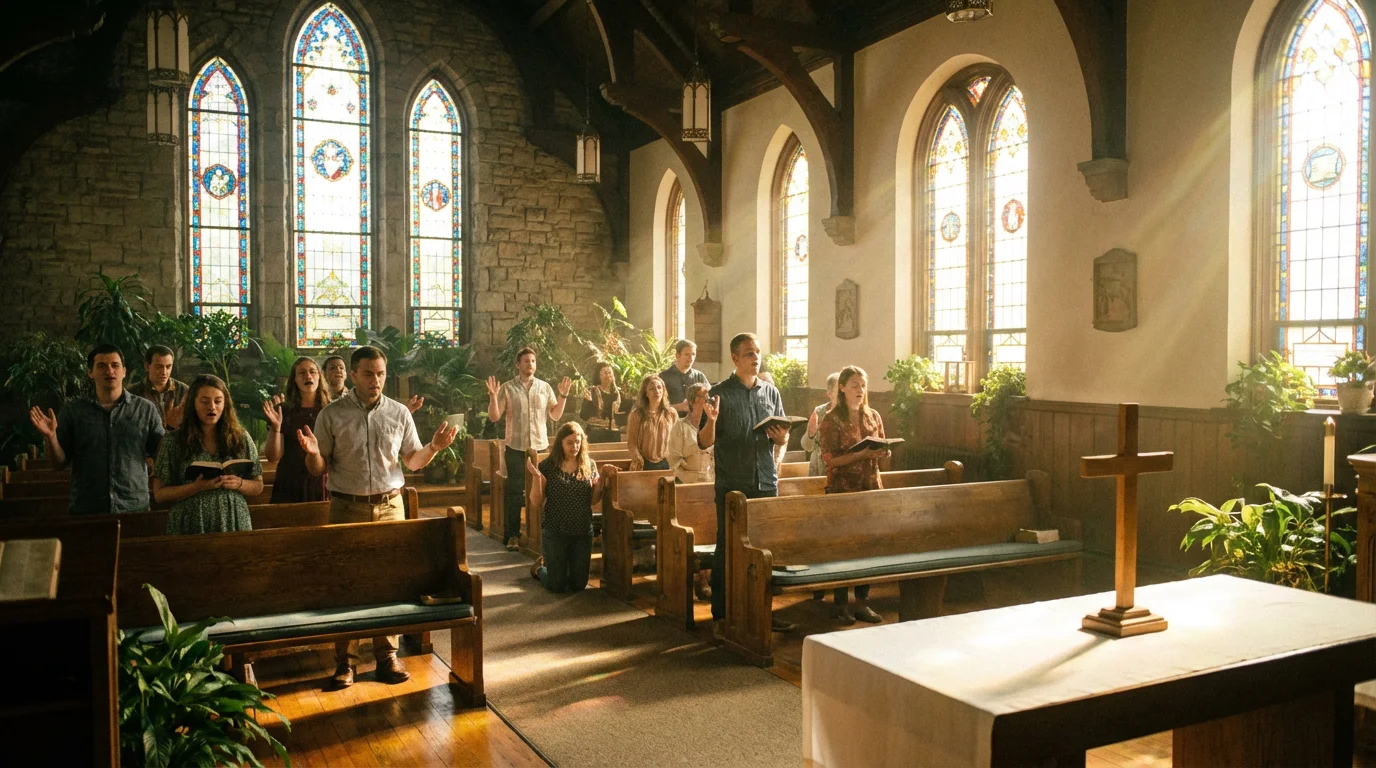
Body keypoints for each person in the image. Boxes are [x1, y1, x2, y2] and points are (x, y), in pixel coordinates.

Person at [298, 345, 459, 689]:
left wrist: (434, 448)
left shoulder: (399, 413)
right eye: (369, 374)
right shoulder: (332, 415)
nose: (376, 380)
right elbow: (318, 469)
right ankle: (346, 663)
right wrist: (313, 454)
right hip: (347, 506)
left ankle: (387, 657)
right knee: (348, 585)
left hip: (389, 505)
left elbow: (412, 461)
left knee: (390, 582)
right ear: (353, 375)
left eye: (381, 374)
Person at [697, 332, 793, 633]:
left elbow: (782, 436)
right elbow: (703, 442)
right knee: (729, 548)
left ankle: (762, 610)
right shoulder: (718, 393)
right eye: (749, 353)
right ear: (735, 358)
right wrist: (711, 421)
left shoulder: (770, 392)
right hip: (733, 484)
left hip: (766, 480)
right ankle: (722, 614)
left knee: (764, 550)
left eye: (758, 352)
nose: (755, 358)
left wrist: (782, 438)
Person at [28, 343, 164, 515]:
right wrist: (51, 436)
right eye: (101, 366)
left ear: (124, 371)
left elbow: (161, 455)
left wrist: (174, 430)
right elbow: (58, 464)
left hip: (134, 508)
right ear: (90, 372)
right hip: (87, 509)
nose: (109, 371)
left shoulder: (145, 409)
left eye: (115, 365)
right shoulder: (73, 411)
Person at [819, 365, 891, 625]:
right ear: (841, 388)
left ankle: (862, 603)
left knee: (866, 547)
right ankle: (840, 605)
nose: (860, 390)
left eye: (863, 385)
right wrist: (859, 455)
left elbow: (883, 446)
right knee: (843, 548)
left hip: (870, 486)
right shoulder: (832, 419)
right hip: (843, 490)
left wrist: (883, 451)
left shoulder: (873, 416)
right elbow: (830, 460)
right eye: (854, 386)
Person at [152, 375, 264, 534]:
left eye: (218, 401)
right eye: (204, 402)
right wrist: (196, 487)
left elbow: (258, 485)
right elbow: (160, 494)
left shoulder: (241, 438)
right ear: (193, 404)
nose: (212, 407)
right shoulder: (173, 441)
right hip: (190, 521)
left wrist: (239, 483)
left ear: (225, 404)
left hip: (233, 519)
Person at [485, 347, 572, 552]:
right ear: (518, 364)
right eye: (526, 361)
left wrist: (563, 396)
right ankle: (513, 535)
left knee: (545, 491)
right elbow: (494, 417)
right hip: (516, 447)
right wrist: (492, 397)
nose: (530, 364)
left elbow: (556, 415)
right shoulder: (507, 387)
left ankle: (544, 532)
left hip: (540, 448)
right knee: (515, 492)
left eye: (533, 361)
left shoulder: (544, 387)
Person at [526, 422, 616, 593]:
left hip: (581, 531)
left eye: (578, 441)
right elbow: (536, 502)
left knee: (578, 585)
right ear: (561, 442)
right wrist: (536, 477)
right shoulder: (547, 466)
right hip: (555, 531)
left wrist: (602, 477)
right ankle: (539, 569)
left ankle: (560, 570)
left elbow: (594, 500)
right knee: (557, 586)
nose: (574, 446)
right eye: (569, 442)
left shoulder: (589, 464)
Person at [667, 382, 714, 601]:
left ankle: (709, 575)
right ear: (694, 401)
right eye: (705, 397)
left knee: (712, 532)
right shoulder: (681, 427)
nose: (709, 401)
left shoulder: (714, 424)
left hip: (711, 484)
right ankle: (698, 578)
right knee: (694, 534)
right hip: (689, 487)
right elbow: (674, 459)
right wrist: (691, 482)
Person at [263, 357, 331, 503]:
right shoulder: (283, 411)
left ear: (319, 376)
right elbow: (273, 457)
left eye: (312, 371)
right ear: (294, 379)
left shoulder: (330, 411)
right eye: (302, 373)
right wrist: (275, 428)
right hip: (289, 480)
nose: (308, 376)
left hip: (321, 480)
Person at [626, 374, 675, 471]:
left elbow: (677, 439)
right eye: (652, 389)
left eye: (659, 387)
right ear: (646, 393)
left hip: (667, 462)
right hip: (644, 462)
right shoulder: (636, 414)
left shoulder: (671, 413)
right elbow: (632, 442)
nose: (657, 391)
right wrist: (637, 459)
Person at [135, 344, 189, 430]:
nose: (164, 372)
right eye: (159, 367)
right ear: (147, 366)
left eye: (168, 367)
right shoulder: (134, 392)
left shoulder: (184, 390)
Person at [800, 372, 841, 477]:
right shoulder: (819, 412)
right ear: (829, 393)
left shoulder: (852, 412)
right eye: (838, 391)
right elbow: (807, 446)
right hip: (820, 466)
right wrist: (810, 434)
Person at [660, 340, 711, 417]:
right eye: (687, 354)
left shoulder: (699, 376)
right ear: (677, 355)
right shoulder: (664, 377)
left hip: (695, 423)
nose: (691, 358)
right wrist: (679, 407)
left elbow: (708, 399)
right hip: (671, 422)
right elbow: (656, 407)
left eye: (693, 354)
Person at [580, 362, 622, 443]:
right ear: (599, 376)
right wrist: (588, 402)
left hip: (614, 433)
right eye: (605, 373)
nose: (608, 375)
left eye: (610, 373)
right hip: (596, 432)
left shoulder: (619, 393)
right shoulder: (592, 391)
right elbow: (583, 416)